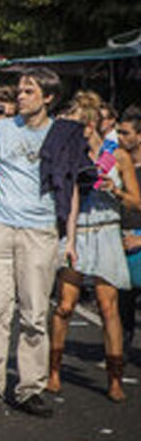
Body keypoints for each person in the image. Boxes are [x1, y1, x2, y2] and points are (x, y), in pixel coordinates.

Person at [0, 67, 75, 418]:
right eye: (19, 91)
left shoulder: (60, 134)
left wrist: (71, 236)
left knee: (35, 314)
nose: (20, 97)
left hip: (39, 231)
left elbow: (74, 186)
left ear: (48, 98)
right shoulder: (1, 129)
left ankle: (29, 388)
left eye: (28, 92)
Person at [47, 96, 140, 402]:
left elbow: (137, 202)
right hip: (77, 232)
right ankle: (54, 371)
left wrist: (115, 189)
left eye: (79, 123)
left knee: (108, 306)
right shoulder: (70, 154)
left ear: (90, 123)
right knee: (65, 305)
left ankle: (114, 380)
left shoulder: (118, 156)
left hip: (106, 231)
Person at [117, 105, 141, 357]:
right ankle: (119, 355)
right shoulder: (118, 165)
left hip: (139, 240)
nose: (120, 138)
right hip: (119, 238)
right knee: (120, 305)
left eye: (125, 133)